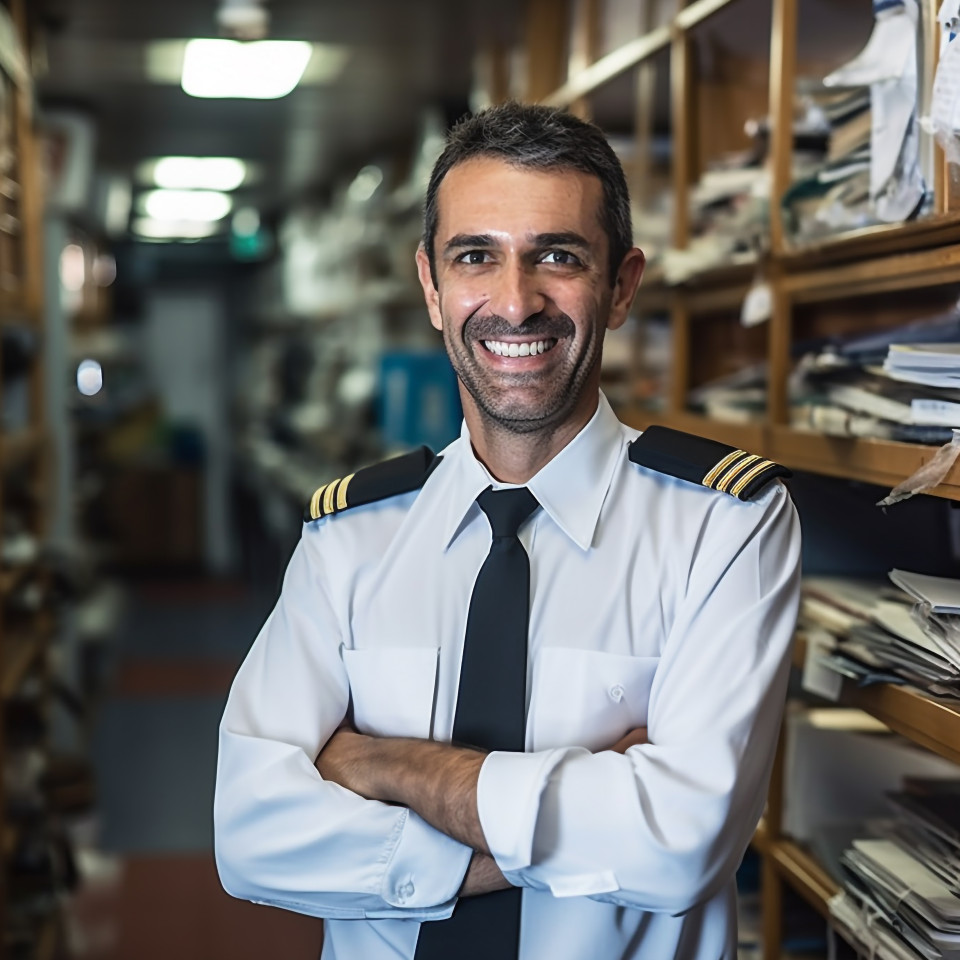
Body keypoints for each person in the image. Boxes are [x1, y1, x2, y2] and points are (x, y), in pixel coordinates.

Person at [214, 102, 802, 960]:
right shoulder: (352, 536)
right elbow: (252, 834)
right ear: (431, 287)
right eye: (475, 256)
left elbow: (681, 845)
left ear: (624, 284)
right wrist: (586, 814)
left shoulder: (724, 527)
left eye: (557, 257)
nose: (515, 303)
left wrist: (391, 769)